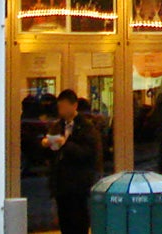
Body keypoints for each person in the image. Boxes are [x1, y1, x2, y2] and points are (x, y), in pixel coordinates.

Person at [46, 88, 102, 234]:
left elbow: (89, 153)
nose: (61, 110)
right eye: (59, 107)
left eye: (64, 106)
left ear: (74, 106)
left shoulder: (86, 127)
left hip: (78, 184)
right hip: (61, 184)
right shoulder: (58, 126)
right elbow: (50, 155)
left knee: (78, 222)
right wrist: (47, 144)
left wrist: (66, 144)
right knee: (65, 222)